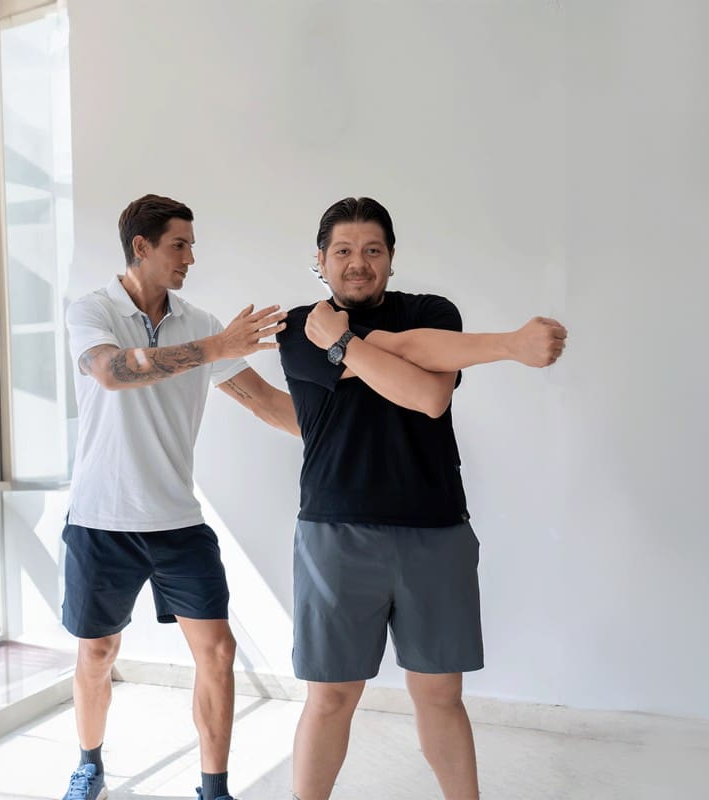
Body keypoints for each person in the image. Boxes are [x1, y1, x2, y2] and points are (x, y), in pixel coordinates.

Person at [277, 196, 567, 800]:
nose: (358, 263)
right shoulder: (302, 324)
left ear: (390, 257)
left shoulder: (434, 311)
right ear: (321, 260)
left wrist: (345, 342)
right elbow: (414, 372)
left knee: (439, 693)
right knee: (330, 697)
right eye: (343, 251)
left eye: (372, 250)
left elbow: (429, 397)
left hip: (435, 529)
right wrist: (504, 344)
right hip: (334, 532)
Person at [59, 194, 299, 800]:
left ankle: (214, 789)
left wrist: (351, 428)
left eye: (191, 245)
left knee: (217, 652)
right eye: (179, 245)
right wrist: (218, 348)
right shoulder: (92, 310)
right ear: (141, 247)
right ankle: (89, 764)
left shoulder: (200, 323)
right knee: (97, 653)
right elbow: (112, 371)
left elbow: (266, 403)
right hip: (101, 520)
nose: (190, 257)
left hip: (177, 525)